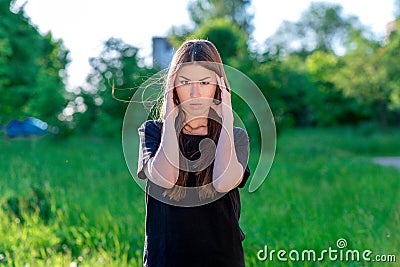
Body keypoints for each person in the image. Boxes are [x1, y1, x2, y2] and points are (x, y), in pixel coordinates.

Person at [137, 39, 251, 267]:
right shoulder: (153, 132)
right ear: (173, 86)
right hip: (165, 259)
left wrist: (226, 119)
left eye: (204, 82)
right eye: (185, 81)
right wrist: (170, 115)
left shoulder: (235, 137)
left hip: (221, 259)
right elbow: (165, 178)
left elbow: (222, 182)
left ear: (219, 86)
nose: (194, 91)